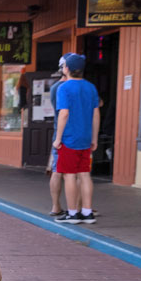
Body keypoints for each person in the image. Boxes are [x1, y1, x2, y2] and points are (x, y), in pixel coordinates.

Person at [53, 53, 99, 225]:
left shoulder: (63, 88)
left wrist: (58, 138)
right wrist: (94, 137)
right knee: (85, 174)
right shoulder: (90, 87)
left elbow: (64, 113)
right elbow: (96, 113)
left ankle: (72, 213)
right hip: (86, 139)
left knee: (69, 176)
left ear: (66, 68)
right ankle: (87, 212)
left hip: (70, 138)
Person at [47, 54, 71, 216]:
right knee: (76, 173)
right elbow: (63, 113)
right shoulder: (63, 88)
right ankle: (78, 207)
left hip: (60, 133)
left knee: (58, 170)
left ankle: (57, 206)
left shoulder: (57, 87)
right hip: (67, 133)